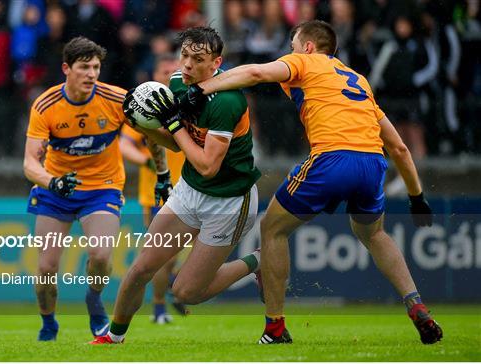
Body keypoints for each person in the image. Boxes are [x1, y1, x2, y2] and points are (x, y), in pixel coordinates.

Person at [183, 20, 443, 345]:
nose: (288, 54)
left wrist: (201, 89)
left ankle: (275, 328)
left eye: (292, 47)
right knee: (374, 234)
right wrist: (417, 198)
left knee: (273, 229)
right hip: (373, 163)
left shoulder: (305, 61)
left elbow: (256, 74)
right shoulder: (358, 81)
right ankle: (415, 303)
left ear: (307, 46)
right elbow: (400, 148)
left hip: (332, 159)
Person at [91, 26, 261, 345]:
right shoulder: (178, 83)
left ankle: (256, 261)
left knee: (186, 292)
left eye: (197, 59)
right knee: (142, 267)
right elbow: (173, 144)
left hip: (228, 201)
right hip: (189, 192)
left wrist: (170, 122)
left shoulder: (226, 100)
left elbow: (208, 166)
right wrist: (142, 125)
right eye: (184, 55)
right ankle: (113, 337)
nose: (186, 65)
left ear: (216, 63)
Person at [23, 36, 165, 341]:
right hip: (56, 189)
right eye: (84, 67)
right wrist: (53, 182)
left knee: (101, 255)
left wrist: (162, 171)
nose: (91, 74)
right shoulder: (46, 105)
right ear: (66, 68)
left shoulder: (116, 99)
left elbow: (151, 134)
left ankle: (93, 296)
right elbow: (29, 165)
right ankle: (49, 323)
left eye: (96, 67)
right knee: (46, 268)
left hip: (103, 187)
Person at [119, 54, 189, 323]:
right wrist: (147, 161)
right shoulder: (148, 108)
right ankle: (159, 307)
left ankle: (174, 282)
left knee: (185, 252)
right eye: (165, 71)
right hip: (159, 193)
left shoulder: (184, 105)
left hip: (191, 190)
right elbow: (124, 145)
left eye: (174, 71)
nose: (170, 75)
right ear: (155, 76)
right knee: (162, 252)